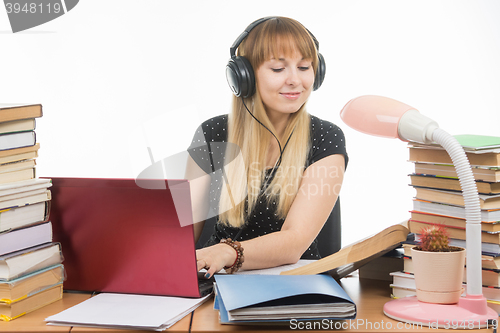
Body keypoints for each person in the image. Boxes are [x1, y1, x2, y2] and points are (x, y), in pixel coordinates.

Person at [185, 16, 348, 279]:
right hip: (217, 284)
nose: (295, 80)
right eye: (278, 69)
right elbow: (181, 233)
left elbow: (294, 241)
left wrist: (228, 252)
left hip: (297, 288)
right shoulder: (211, 134)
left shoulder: (326, 138)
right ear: (244, 76)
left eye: (305, 67)